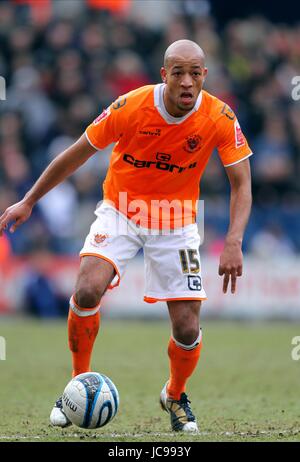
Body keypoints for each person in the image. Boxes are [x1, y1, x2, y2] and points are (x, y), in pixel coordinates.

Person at [0, 40, 252, 433]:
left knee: (187, 327)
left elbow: (241, 183)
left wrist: (234, 240)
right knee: (86, 290)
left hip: (178, 221)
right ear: (163, 74)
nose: (187, 82)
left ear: (204, 75)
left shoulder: (220, 117)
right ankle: (75, 385)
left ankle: (175, 394)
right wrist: (29, 201)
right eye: (179, 73)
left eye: (195, 73)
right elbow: (78, 152)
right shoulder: (131, 106)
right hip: (121, 211)